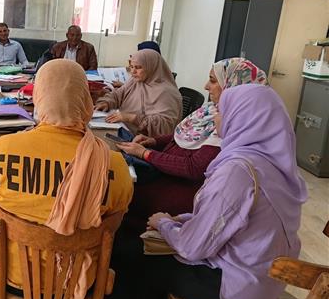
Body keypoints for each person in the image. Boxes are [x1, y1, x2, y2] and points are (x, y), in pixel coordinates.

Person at [115, 84, 308, 299]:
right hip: (263, 282)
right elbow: (235, 220)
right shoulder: (275, 165)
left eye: (223, 111)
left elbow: (193, 247)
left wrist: (165, 224)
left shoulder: (238, 171)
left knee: (127, 255)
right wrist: (182, 219)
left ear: (241, 118)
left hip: (234, 286)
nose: (216, 117)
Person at [0, 59, 133, 299]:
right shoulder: (114, 164)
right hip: (77, 282)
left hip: (10, 275)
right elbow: (116, 219)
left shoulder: (2, 150)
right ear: (85, 99)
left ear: (39, 97)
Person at [114, 57, 268, 234]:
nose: (206, 86)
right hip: (165, 172)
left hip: (184, 188)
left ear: (234, 86)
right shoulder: (211, 109)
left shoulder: (231, 122)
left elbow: (193, 167)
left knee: (125, 192)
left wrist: (146, 154)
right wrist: (155, 141)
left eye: (213, 80)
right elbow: (184, 133)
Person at [95, 49, 181, 136]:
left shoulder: (167, 93)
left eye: (138, 67)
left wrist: (132, 118)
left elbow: (166, 126)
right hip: (124, 129)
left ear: (151, 68)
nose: (133, 72)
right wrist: (106, 102)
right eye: (131, 67)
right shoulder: (136, 81)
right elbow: (118, 95)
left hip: (145, 140)